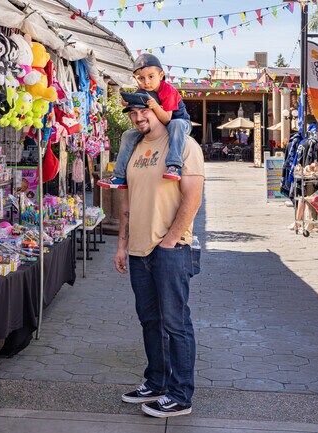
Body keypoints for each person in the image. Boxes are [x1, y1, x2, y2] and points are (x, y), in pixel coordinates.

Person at [114, 98, 204, 418]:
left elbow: (192, 198)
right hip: (138, 251)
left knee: (175, 324)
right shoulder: (133, 148)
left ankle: (181, 395)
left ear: (158, 111)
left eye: (145, 111)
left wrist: (168, 241)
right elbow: (128, 201)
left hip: (171, 249)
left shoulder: (184, 146)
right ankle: (156, 382)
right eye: (133, 113)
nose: (139, 118)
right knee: (150, 321)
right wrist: (123, 245)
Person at [98, 53, 192, 189]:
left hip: (179, 122)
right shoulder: (141, 90)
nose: (146, 82)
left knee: (175, 125)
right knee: (128, 135)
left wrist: (154, 106)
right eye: (141, 78)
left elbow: (167, 119)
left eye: (151, 77)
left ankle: (174, 165)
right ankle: (119, 176)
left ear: (161, 76)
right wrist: (126, 102)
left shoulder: (169, 91)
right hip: (156, 125)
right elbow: (137, 108)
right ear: (135, 79)